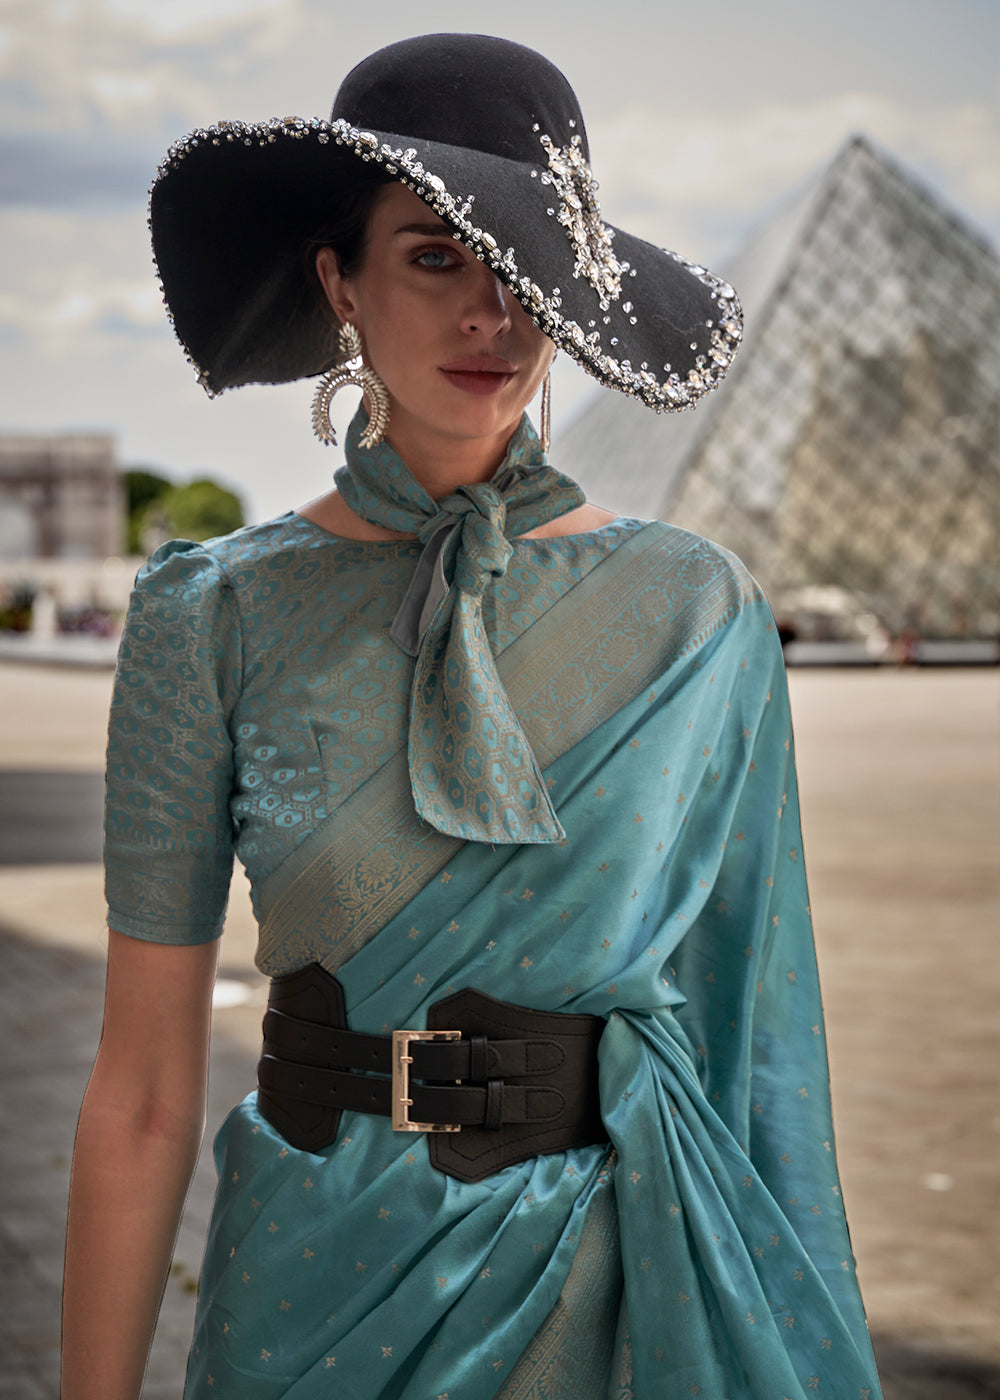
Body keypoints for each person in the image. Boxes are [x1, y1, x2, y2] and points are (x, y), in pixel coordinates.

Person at [62, 33, 883, 1400]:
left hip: (605, 1278)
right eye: (435, 255)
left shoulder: (700, 616)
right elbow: (143, 1091)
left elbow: (761, 1049)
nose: (490, 314)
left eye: (527, 268)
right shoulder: (209, 612)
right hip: (304, 1286)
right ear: (340, 282)